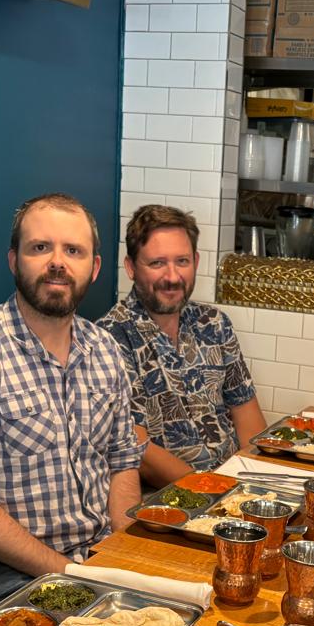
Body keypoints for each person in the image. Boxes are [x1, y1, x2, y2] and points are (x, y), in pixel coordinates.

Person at [0, 193, 145, 618]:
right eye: (40, 248)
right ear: (14, 260)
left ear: (94, 268)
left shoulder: (105, 350)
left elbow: (122, 460)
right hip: (6, 575)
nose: (57, 262)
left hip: (97, 560)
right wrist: (71, 572)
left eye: (73, 250)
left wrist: (124, 556)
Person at [98, 205, 264, 487]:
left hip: (235, 488)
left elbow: (248, 419)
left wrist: (259, 483)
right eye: (157, 263)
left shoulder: (213, 323)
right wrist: (214, 488)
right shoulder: (110, 338)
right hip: (168, 503)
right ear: (130, 267)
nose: (173, 277)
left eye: (182, 261)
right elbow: (137, 449)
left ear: (196, 262)